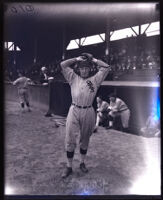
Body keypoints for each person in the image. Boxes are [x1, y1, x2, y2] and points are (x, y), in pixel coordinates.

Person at [60, 53, 111, 178]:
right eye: (82, 68)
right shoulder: (73, 77)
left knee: (85, 139)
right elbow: (63, 65)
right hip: (74, 109)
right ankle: (69, 166)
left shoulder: (95, 80)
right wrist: (76, 59)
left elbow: (106, 67)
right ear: (79, 69)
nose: (84, 70)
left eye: (86, 68)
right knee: (70, 138)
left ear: (90, 69)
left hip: (88, 110)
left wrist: (94, 60)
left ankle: (82, 163)